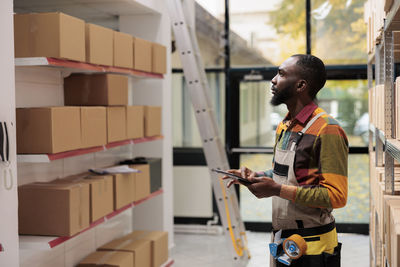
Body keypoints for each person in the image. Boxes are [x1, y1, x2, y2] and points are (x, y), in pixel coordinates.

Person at [223, 54, 348, 267]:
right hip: (283, 239)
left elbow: (336, 196)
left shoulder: (328, 129)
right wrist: (256, 177)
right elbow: (285, 174)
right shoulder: (285, 125)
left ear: (300, 85)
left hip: (313, 244)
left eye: (281, 74)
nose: (273, 80)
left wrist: (276, 190)